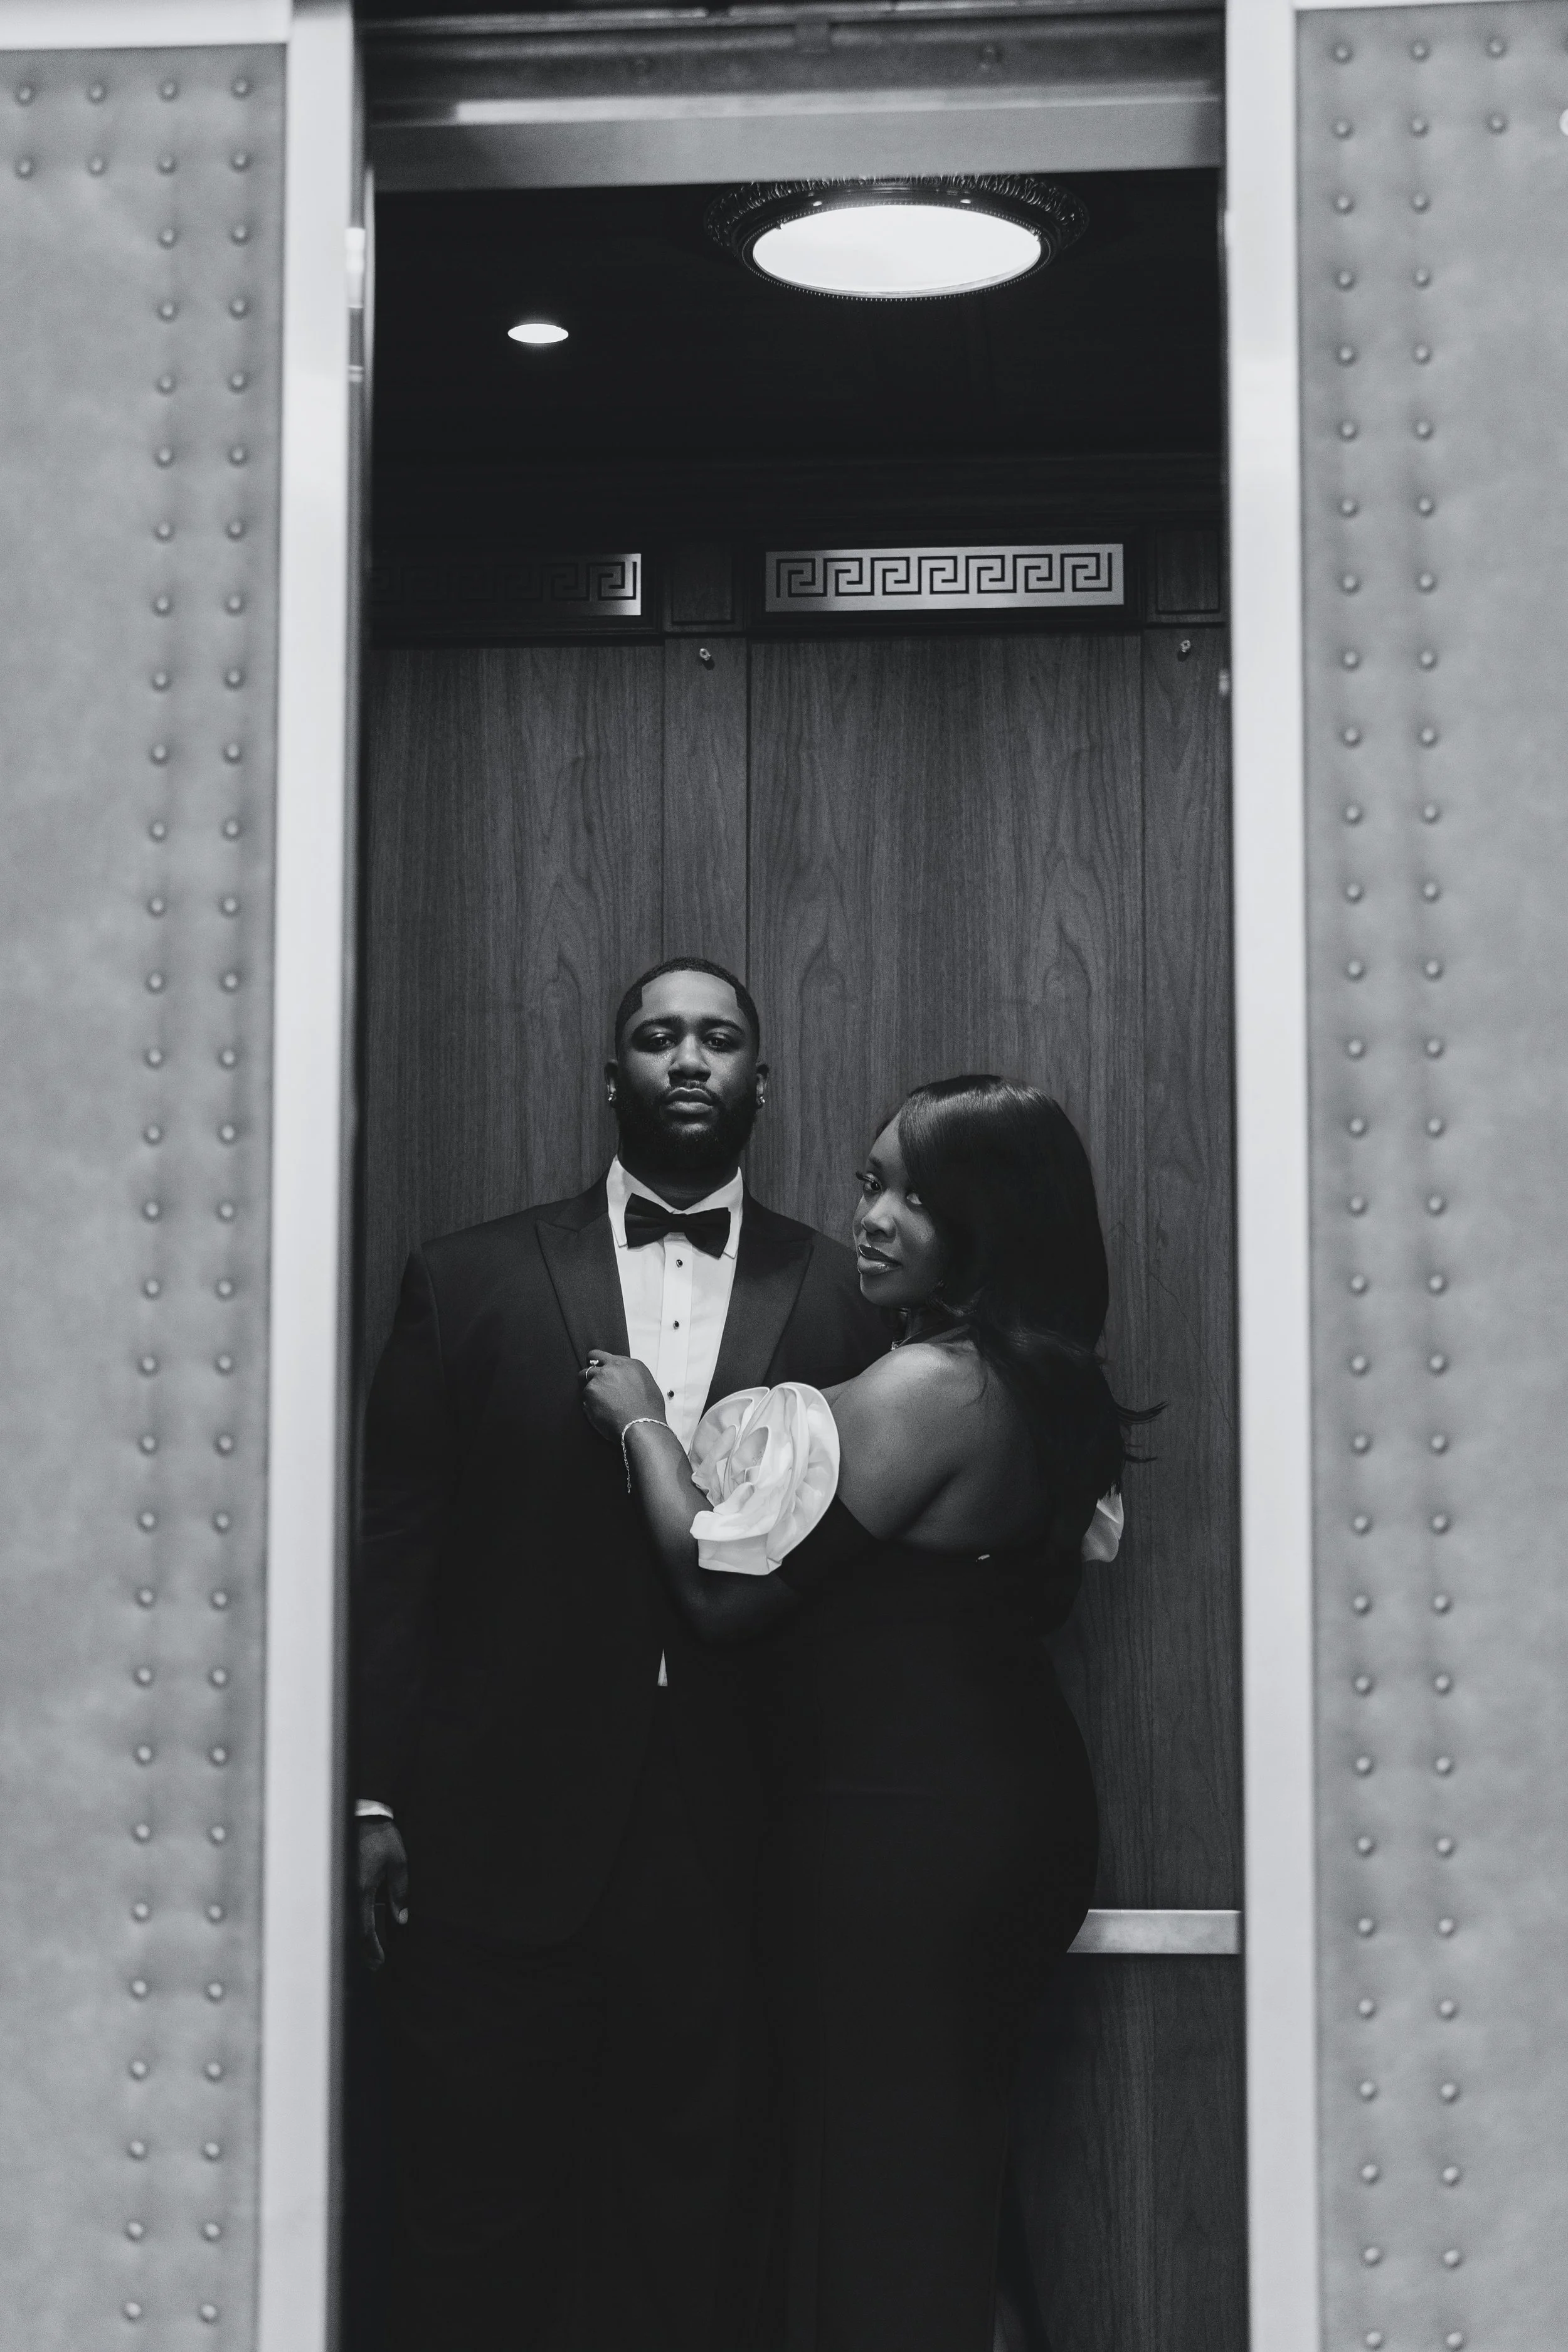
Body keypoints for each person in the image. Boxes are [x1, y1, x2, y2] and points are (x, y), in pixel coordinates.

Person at [352, 956, 886, 2352]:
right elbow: (396, 1558)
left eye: (720, 1039)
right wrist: (369, 1792)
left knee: (698, 2232)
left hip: (742, 1834)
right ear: (612, 1076)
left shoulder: (846, 1301)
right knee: (472, 2219)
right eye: (657, 1038)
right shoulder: (463, 1281)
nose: (688, 1060)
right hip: (493, 1836)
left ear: (762, 1080)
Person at [581, 1075, 1142, 2352]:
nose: (869, 1218)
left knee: (890, 2200)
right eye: (867, 1181)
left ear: (986, 1224)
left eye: (910, 1196)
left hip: (905, 1836)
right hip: (994, 1811)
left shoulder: (930, 1391)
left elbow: (722, 1598)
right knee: (944, 2189)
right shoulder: (1043, 1380)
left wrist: (644, 1432)